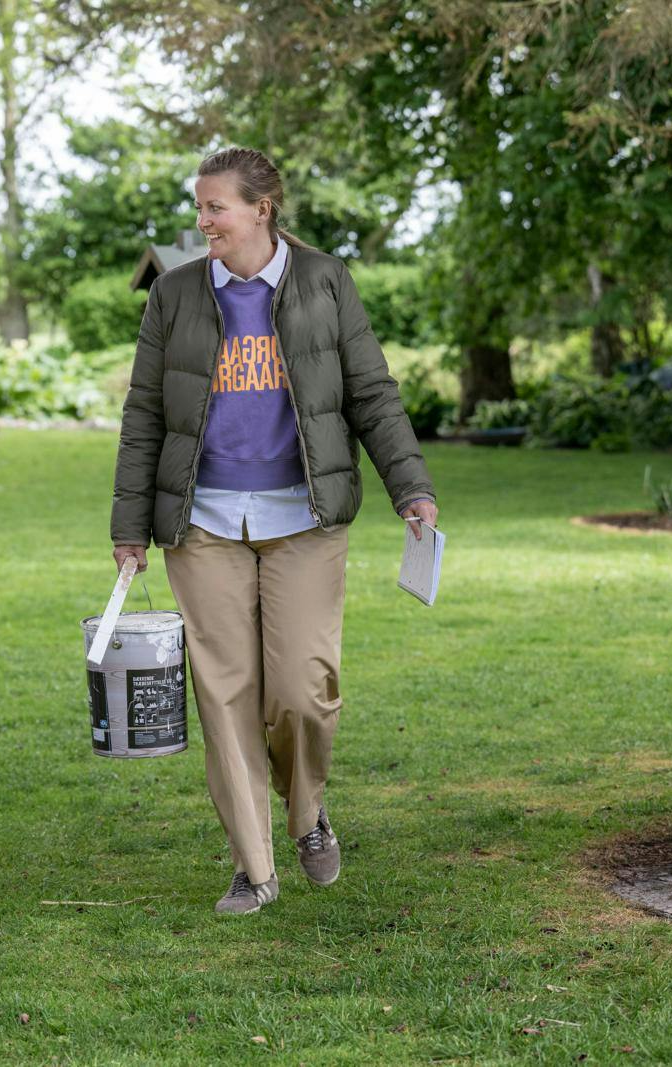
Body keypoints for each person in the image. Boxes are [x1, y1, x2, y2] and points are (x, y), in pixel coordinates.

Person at [110, 148, 437, 916]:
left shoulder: (325, 281)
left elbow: (372, 393)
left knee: (301, 694)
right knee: (225, 694)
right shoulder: (177, 296)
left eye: (216, 207)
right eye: (199, 207)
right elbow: (144, 415)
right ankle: (253, 867)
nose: (202, 221)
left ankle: (307, 811)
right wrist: (130, 527)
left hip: (306, 517)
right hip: (204, 523)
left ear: (263, 208)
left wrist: (410, 485)